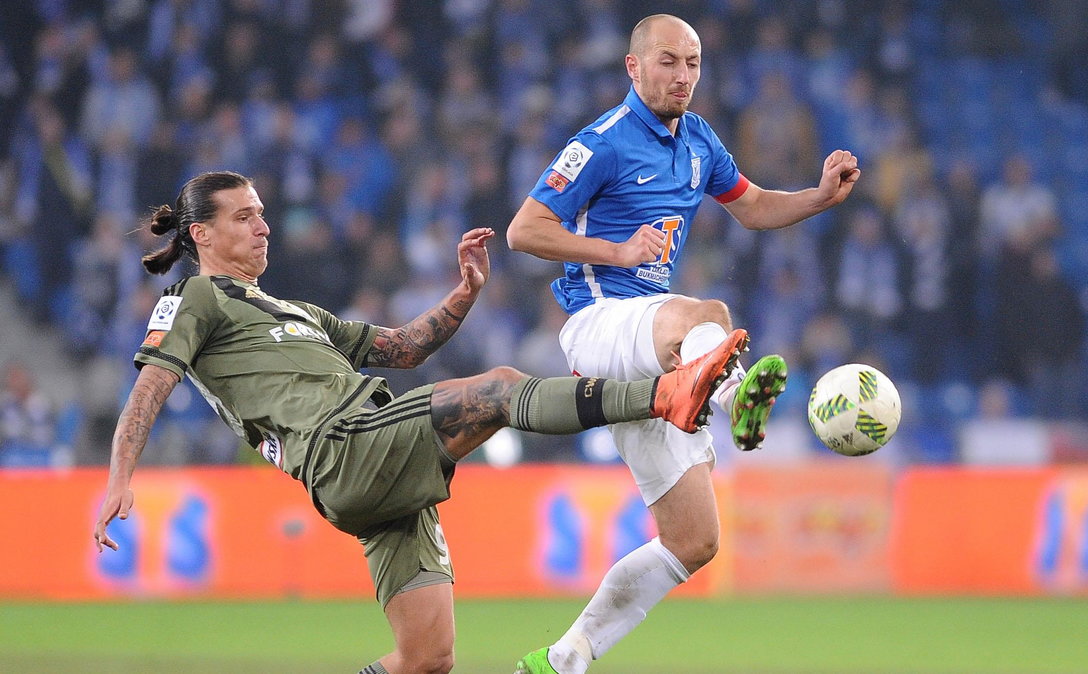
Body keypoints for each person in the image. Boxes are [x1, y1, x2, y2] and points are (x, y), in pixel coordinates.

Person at [91, 171, 751, 674]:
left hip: (371, 480)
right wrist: (121, 476)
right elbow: (151, 383)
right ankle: (667, 395)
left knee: (426, 659)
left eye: (263, 214)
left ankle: (671, 394)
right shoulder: (194, 298)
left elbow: (401, 348)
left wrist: (461, 297)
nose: (263, 226)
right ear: (201, 234)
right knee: (498, 390)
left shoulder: (296, 311)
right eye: (244, 217)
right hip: (346, 446)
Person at [505, 15, 860, 674]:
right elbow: (524, 230)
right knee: (706, 312)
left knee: (694, 541)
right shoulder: (602, 142)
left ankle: (565, 656)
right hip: (600, 323)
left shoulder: (698, 140)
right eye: (668, 61)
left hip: (659, 353)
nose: (683, 76)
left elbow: (750, 206)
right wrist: (613, 250)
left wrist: (817, 197)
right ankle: (733, 396)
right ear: (634, 68)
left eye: (693, 63)